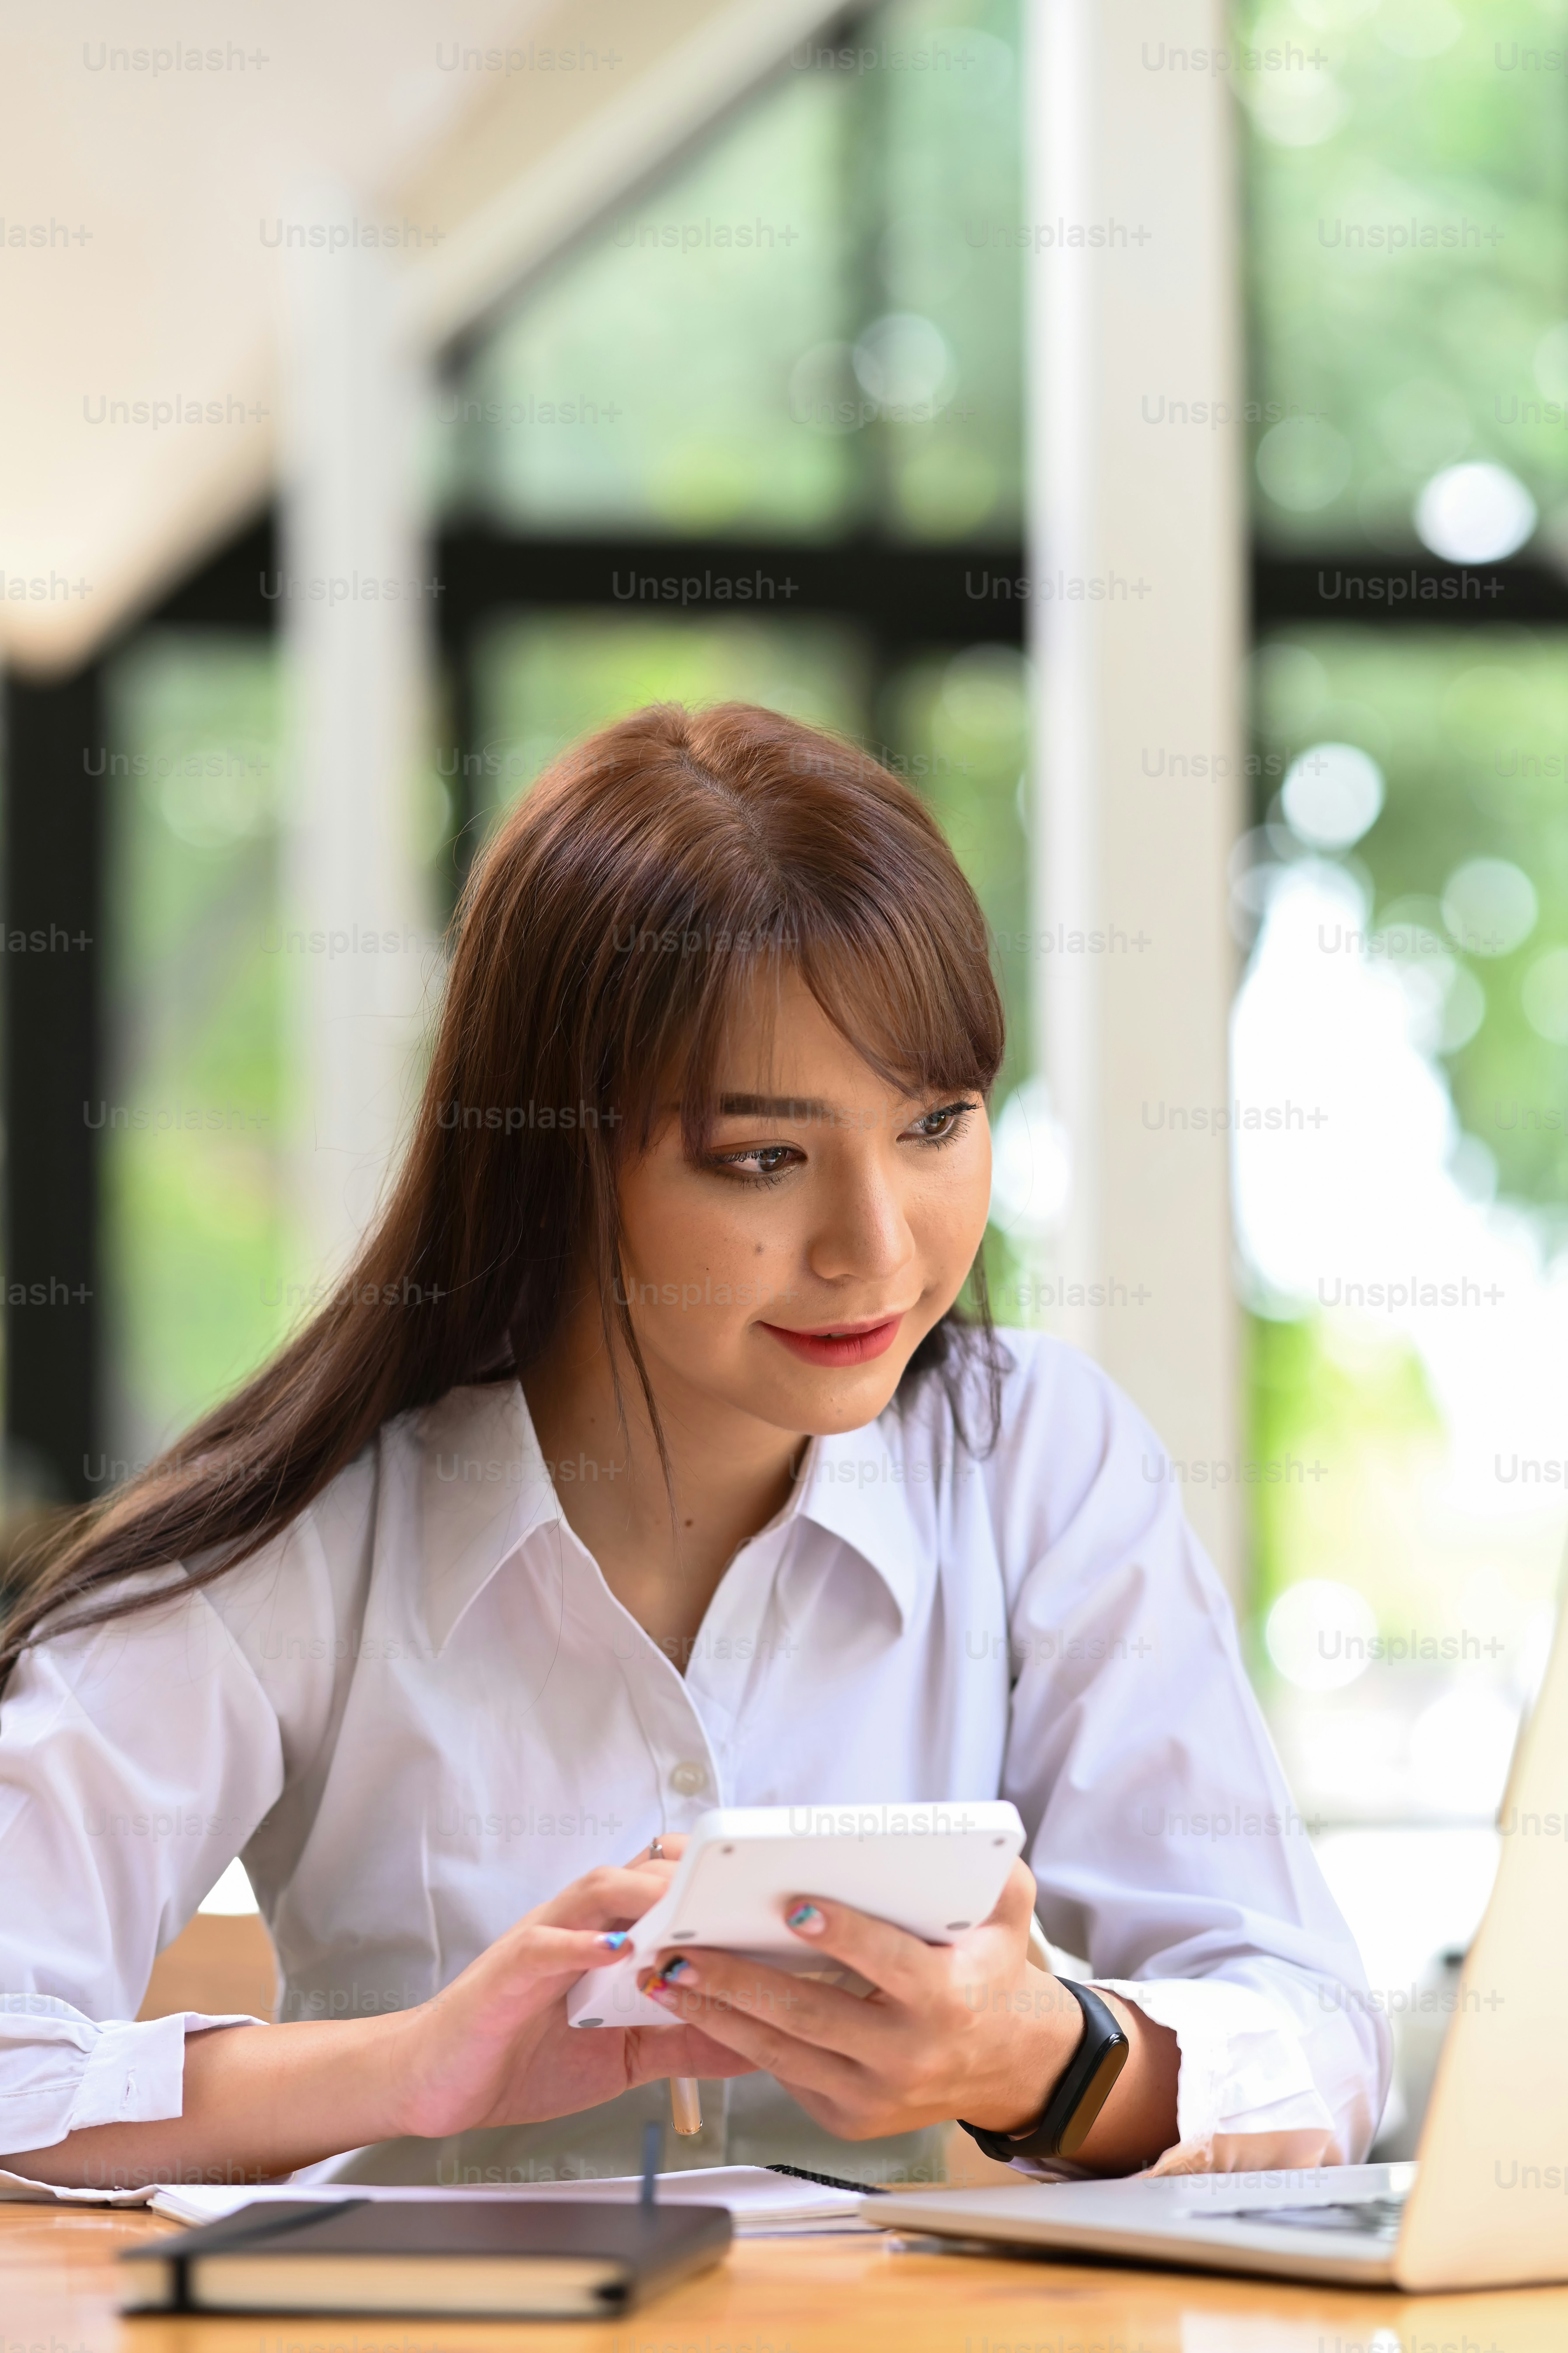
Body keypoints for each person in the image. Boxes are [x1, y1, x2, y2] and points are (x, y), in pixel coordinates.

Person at [0, 703, 1388, 2198]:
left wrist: (1040, 2058)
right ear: (555, 1150)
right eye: (762, 1159)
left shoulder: (1032, 1458)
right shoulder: (309, 1526)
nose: (876, 1247)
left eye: (934, 1123)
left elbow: (1312, 2026)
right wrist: (409, 2065)